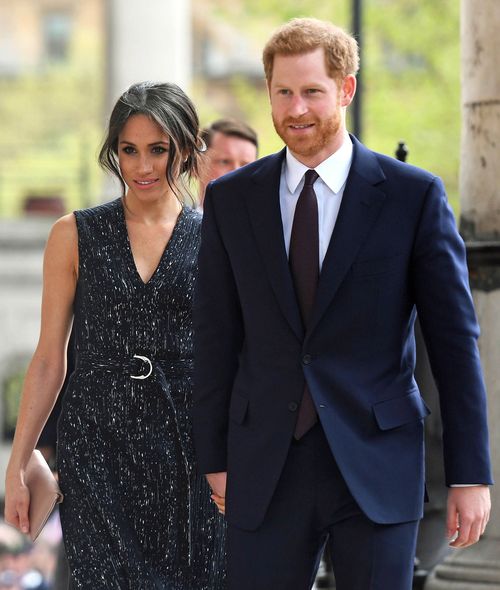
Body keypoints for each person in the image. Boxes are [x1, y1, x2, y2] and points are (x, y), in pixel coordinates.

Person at [192, 18, 492, 590]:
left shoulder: (413, 197)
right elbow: (215, 338)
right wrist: (215, 458)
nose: (296, 108)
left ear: (346, 89)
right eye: (283, 92)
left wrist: (470, 474)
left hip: (377, 461)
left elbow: (456, 343)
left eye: (312, 91)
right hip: (263, 465)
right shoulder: (232, 200)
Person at [5, 81, 226, 589]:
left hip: (189, 445)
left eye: (157, 150)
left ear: (187, 149)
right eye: (129, 150)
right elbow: (48, 359)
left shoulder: (218, 236)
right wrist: (19, 466)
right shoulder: (72, 233)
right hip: (97, 446)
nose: (142, 166)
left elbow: (233, 355)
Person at [198, 118, 258, 209]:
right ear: (197, 165)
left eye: (246, 165)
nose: (237, 173)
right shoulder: (175, 221)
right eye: (224, 162)